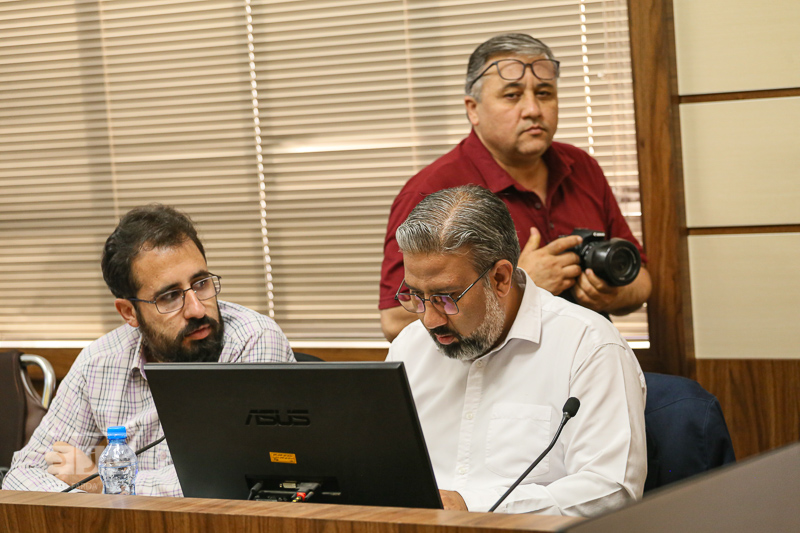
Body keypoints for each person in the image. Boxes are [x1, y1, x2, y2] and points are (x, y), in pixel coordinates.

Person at [386, 185, 646, 516]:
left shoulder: (589, 345)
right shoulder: (409, 348)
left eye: (445, 298)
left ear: (500, 278)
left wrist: (471, 508)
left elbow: (611, 489)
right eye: (415, 295)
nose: (430, 320)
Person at [2, 205, 294, 495]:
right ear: (129, 312)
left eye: (201, 283)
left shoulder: (253, 340)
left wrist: (103, 483)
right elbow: (23, 475)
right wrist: (98, 502)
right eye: (170, 296)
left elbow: (238, 478)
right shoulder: (98, 362)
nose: (196, 309)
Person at [380, 33, 652, 341]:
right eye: (512, 95)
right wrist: (520, 287)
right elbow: (394, 322)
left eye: (545, 93)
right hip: (492, 368)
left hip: (590, 355)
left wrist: (610, 294)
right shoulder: (432, 190)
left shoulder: (582, 167)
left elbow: (641, 282)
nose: (533, 109)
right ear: (473, 109)